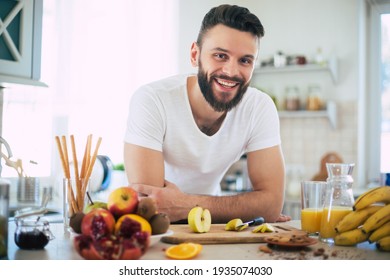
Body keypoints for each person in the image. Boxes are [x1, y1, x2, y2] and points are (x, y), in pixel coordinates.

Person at [124, 4, 290, 224]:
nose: (231, 72)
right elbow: (151, 207)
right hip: (155, 231)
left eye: (245, 60)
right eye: (220, 55)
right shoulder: (152, 100)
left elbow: (271, 205)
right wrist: (241, 208)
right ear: (195, 55)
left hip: (211, 225)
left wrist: (185, 204)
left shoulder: (259, 107)